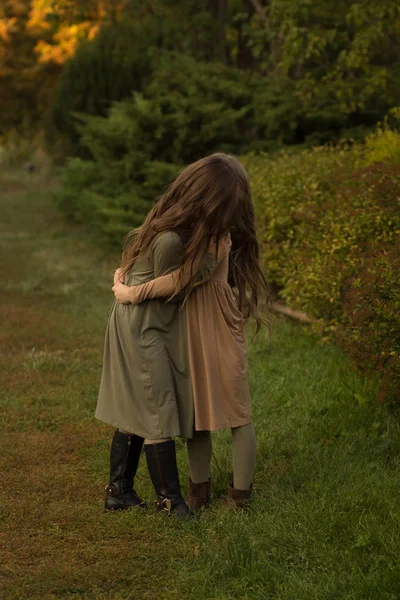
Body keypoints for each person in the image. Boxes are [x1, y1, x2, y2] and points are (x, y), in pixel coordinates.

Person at [96, 152, 270, 518]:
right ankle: (190, 494)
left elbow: (181, 278)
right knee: (194, 411)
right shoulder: (184, 233)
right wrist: (123, 281)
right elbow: (161, 273)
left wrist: (129, 290)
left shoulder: (214, 237)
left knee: (237, 411)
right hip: (183, 324)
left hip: (211, 323)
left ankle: (237, 496)